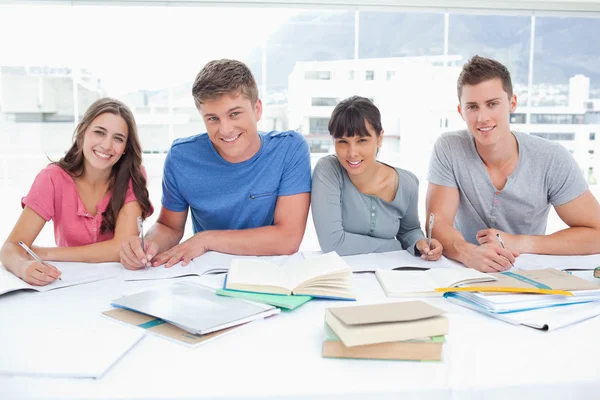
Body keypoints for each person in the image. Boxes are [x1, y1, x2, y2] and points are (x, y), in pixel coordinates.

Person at [119, 59, 311, 270]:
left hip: (272, 273)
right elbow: (169, 227)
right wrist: (148, 246)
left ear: (257, 109)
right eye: (212, 118)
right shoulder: (181, 157)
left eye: (234, 114)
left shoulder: (289, 149)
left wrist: (205, 240)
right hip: (208, 276)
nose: (226, 129)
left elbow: (288, 239)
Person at [426, 55, 600, 272]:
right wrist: (469, 253)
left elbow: (596, 234)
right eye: (472, 107)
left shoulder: (551, 158)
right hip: (466, 270)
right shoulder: (449, 148)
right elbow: (437, 224)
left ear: (512, 103)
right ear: (461, 111)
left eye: (492, 104)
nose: (483, 118)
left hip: (527, 271)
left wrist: (520, 242)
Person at [1, 98, 153, 285]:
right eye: (99, 133)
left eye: (118, 138)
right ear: (82, 133)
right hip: (67, 284)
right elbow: (11, 247)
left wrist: (45, 253)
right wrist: (23, 268)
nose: (106, 145)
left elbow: (119, 248)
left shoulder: (133, 176)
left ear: (125, 148)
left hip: (119, 283)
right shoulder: (52, 178)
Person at [311, 95, 443, 259]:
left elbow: (409, 231)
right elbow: (333, 243)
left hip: (391, 274)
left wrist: (420, 243)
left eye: (362, 140)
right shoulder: (328, 171)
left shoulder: (407, 183)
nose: (352, 153)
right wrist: (396, 247)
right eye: (342, 142)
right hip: (344, 275)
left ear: (379, 138)